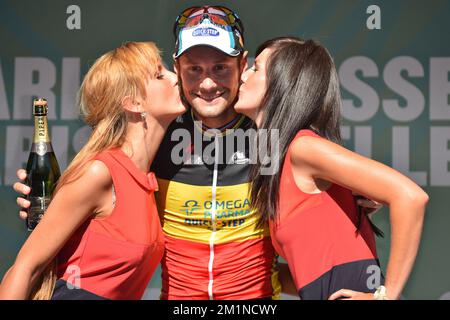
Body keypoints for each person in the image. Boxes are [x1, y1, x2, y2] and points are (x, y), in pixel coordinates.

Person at [12, 6, 380, 300]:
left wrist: (375, 288)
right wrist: (45, 198)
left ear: (243, 66)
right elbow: (96, 196)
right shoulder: (155, 139)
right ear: (177, 70)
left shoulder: (276, 139)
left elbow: (325, 223)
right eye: (193, 69)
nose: (207, 83)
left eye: (221, 67)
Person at [234, 36, 429, 300]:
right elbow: (309, 279)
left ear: (284, 82)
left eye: (255, 68)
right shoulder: (277, 165)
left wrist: (386, 296)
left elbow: (410, 197)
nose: (243, 76)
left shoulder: (302, 147)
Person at [0, 41, 186, 299]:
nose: (176, 78)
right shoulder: (100, 172)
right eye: (159, 75)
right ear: (134, 103)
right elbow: (25, 269)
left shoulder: (148, 177)